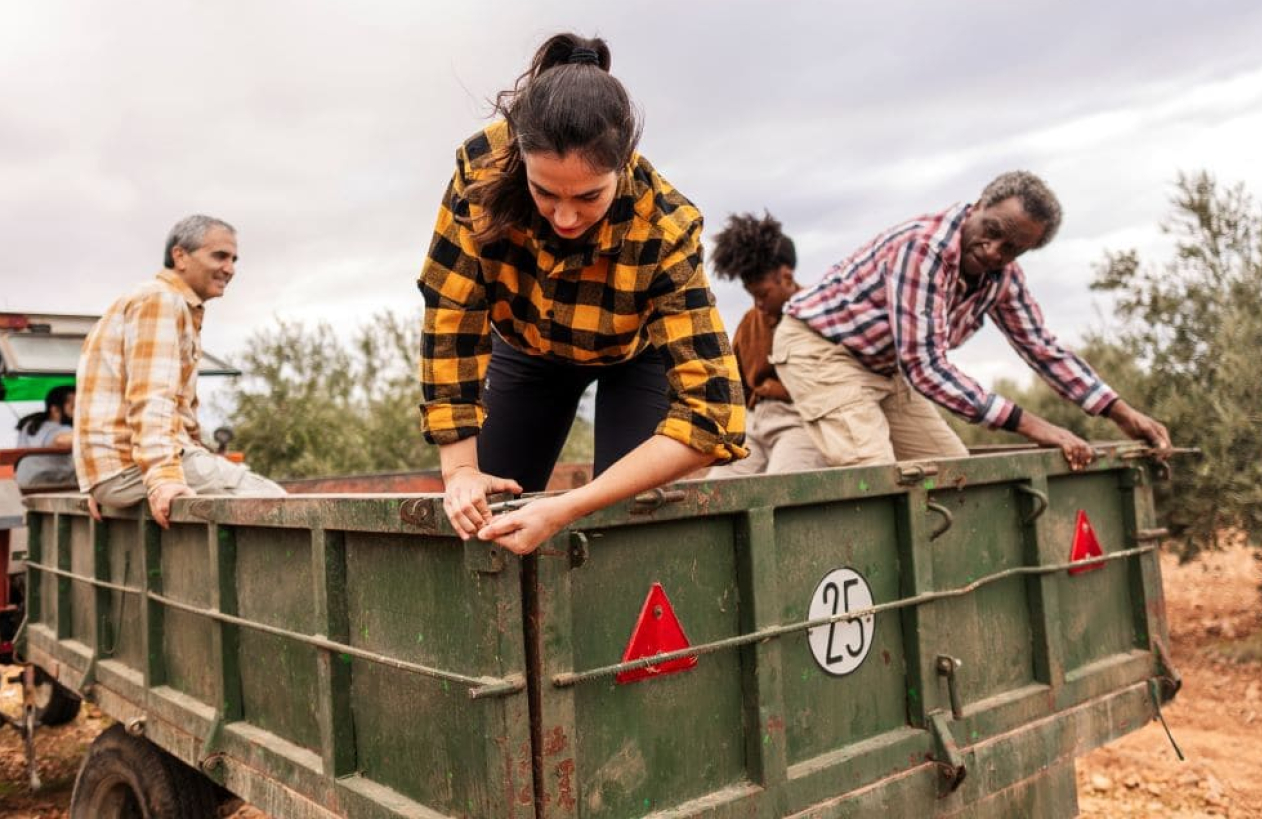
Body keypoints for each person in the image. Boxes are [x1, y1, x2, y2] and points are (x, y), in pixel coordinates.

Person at [418, 32, 746, 555]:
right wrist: (459, 471)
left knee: (622, 532)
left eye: (589, 196)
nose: (565, 217)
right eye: (544, 192)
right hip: (526, 351)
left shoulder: (664, 223)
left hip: (635, 358)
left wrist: (571, 506)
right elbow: (452, 313)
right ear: (520, 160)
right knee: (487, 526)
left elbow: (713, 414)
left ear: (622, 166)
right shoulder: (479, 170)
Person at [775, 171, 1171, 469]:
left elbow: (1043, 350)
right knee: (876, 474)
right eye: (992, 231)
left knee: (951, 472)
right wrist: (1036, 427)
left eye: (1012, 249)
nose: (993, 251)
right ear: (979, 205)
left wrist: (1122, 413)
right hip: (821, 350)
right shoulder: (923, 249)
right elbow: (925, 367)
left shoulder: (1003, 278)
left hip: (885, 367)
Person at [74, 215, 286, 528]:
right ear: (180, 256)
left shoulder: (157, 301)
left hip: (121, 469)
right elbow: (151, 396)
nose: (230, 268)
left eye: (234, 259)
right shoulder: (161, 300)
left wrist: (106, 484)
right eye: (219, 256)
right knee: (280, 506)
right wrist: (161, 477)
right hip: (130, 465)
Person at [709, 212, 827, 475]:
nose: (758, 304)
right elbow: (735, 384)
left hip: (802, 421)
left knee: (781, 491)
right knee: (716, 488)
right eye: (752, 296)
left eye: (763, 294)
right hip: (753, 423)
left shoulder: (819, 315)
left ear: (786, 277)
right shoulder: (750, 322)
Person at [14, 385, 78, 490]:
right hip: (49, 481)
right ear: (55, 410)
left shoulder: (30, 425)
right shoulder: (59, 428)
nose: (78, 413)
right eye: (73, 407)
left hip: (22, 483)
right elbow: (60, 441)